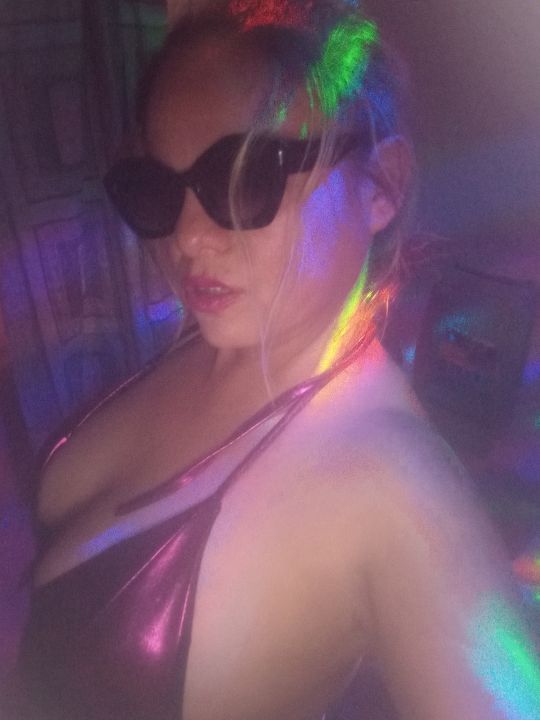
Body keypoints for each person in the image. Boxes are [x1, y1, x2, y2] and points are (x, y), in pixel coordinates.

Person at [4, 1, 539, 719]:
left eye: (244, 178)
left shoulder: (389, 480)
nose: (187, 238)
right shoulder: (215, 338)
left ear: (381, 184)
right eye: (156, 190)